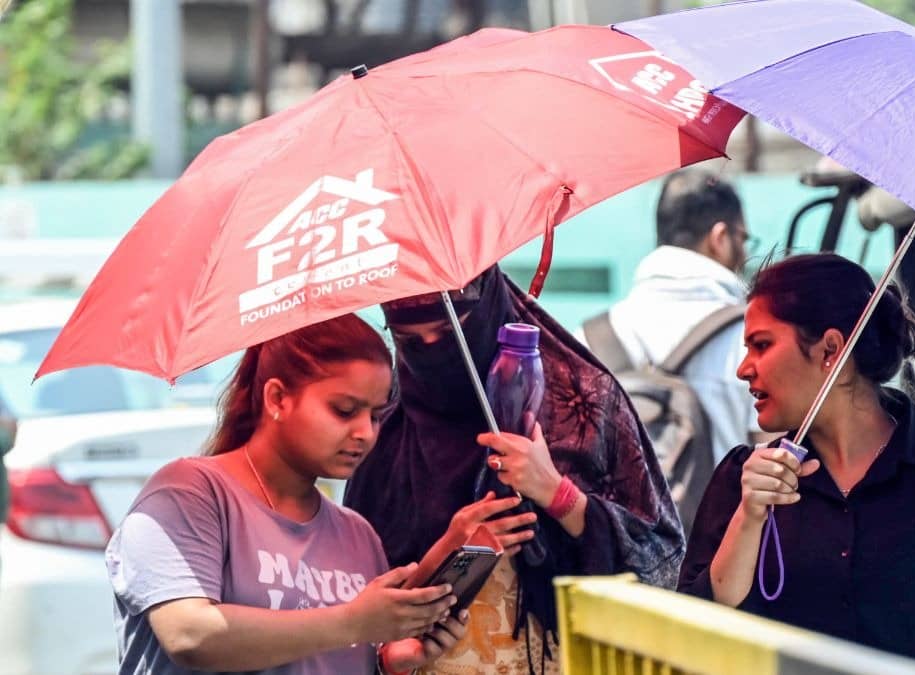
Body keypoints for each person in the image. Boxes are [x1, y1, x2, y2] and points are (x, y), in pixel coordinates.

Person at [679, 253, 915, 674]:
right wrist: (749, 517)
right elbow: (689, 637)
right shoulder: (745, 479)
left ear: (830, 349)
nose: (743, 369)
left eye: (762, 344)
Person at [344, 265, 684, 674]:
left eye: (452, 331)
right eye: (411, 342)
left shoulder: (582, 402)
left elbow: (662, 566)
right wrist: (450, 549)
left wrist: (559, 495)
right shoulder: (387, 424)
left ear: (489, 310)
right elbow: (358, 616)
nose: (435, 351)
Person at [105, 314, 473, 675]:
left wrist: (389, 662)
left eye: (376, 415)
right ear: (278, 399)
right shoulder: (190, 494)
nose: (365, 432)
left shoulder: (357, 534)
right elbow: (189, 634)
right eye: (344, 410)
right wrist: (354, 623)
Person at [585, 168, 761, 467]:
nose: (745, 251)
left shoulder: (591, 337)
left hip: (619, 515)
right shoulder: (753, 338)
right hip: (729, 513)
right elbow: (772, 457)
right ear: (719, 237)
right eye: (743, 238)